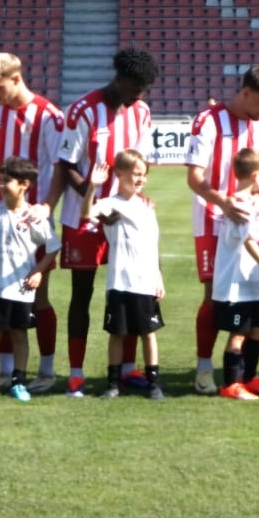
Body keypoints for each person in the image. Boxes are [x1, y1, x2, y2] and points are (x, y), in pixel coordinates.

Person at [54, 48, 161, 397]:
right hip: (85, 216)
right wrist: (99, 204)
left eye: (143, 91)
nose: (138, 96)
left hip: (125, 217)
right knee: (81, 294)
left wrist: (137, 197)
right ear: (121, 79)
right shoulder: (84, 110)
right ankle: (76, 373)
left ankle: (128, 370)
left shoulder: (141, 112)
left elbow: (139, 162)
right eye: (135, 88)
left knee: (130, 292)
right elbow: (67, 164)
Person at [0, 53, 64, 392]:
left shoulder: (47, 115)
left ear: (16, 79)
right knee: (1, 294)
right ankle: (5, 372)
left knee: (38, 296)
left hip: (32, 218)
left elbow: (61, 167)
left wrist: (47, 206)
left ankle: (46, 371)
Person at [186, 65, 259, 395]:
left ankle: (246, 375)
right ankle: (204, 368)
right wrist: (223, 202)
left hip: (248, 222)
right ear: (245, 93)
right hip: (213, 221)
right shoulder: (209, 121)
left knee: (250, 296)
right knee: (213, 296)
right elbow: (194, 177)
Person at [0, 157, 62, 403]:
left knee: (19, 335)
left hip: (22, 289)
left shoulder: (33, 216)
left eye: (8, 181)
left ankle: (18, 382)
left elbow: (53, 246)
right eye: (2, 181)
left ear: (24, 184)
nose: (2, 186)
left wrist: (38, 271)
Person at [85, 152, 166, 401]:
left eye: (143, 175)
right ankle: (113, 383)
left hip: (145, 282)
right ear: (119, 174)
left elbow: (152, 246)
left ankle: (154, 383)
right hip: (120, 281)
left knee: (148, 332)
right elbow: (87, 214)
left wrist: (158, 277)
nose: (140, 179)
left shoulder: (147, 207)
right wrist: (92, 187)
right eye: (135, 174)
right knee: (117, 333)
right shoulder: (111, 204)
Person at [212, 149, 259, 400]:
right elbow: (249, 242)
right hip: (234, 287)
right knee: (239, 333)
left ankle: (249, 378)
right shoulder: (240, 206)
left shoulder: (243, 202)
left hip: (248, 285)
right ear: (255, 175)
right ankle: (231, 384)